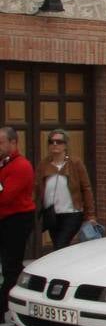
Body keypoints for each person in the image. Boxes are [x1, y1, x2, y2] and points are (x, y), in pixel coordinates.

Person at [37, 129, 95, 250]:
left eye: (59, 142)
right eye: (51, 142)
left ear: (65, 145)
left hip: (72, 214)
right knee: (58, 246)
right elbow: (37, 187)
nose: (54, 144)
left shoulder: (75, 163)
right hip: (52, 214)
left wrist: (90, 215)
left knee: (60, 245)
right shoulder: (43, 164)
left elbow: (86, 188)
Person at [0, 126, 35, 314]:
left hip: (17, 219)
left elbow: (5, 196)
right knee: (10, 264)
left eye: (1, 142)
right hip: (5, 218)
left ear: (13, 143)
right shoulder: (4, 163)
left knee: (11, 265)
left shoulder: (21, 165)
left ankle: (5, 305)